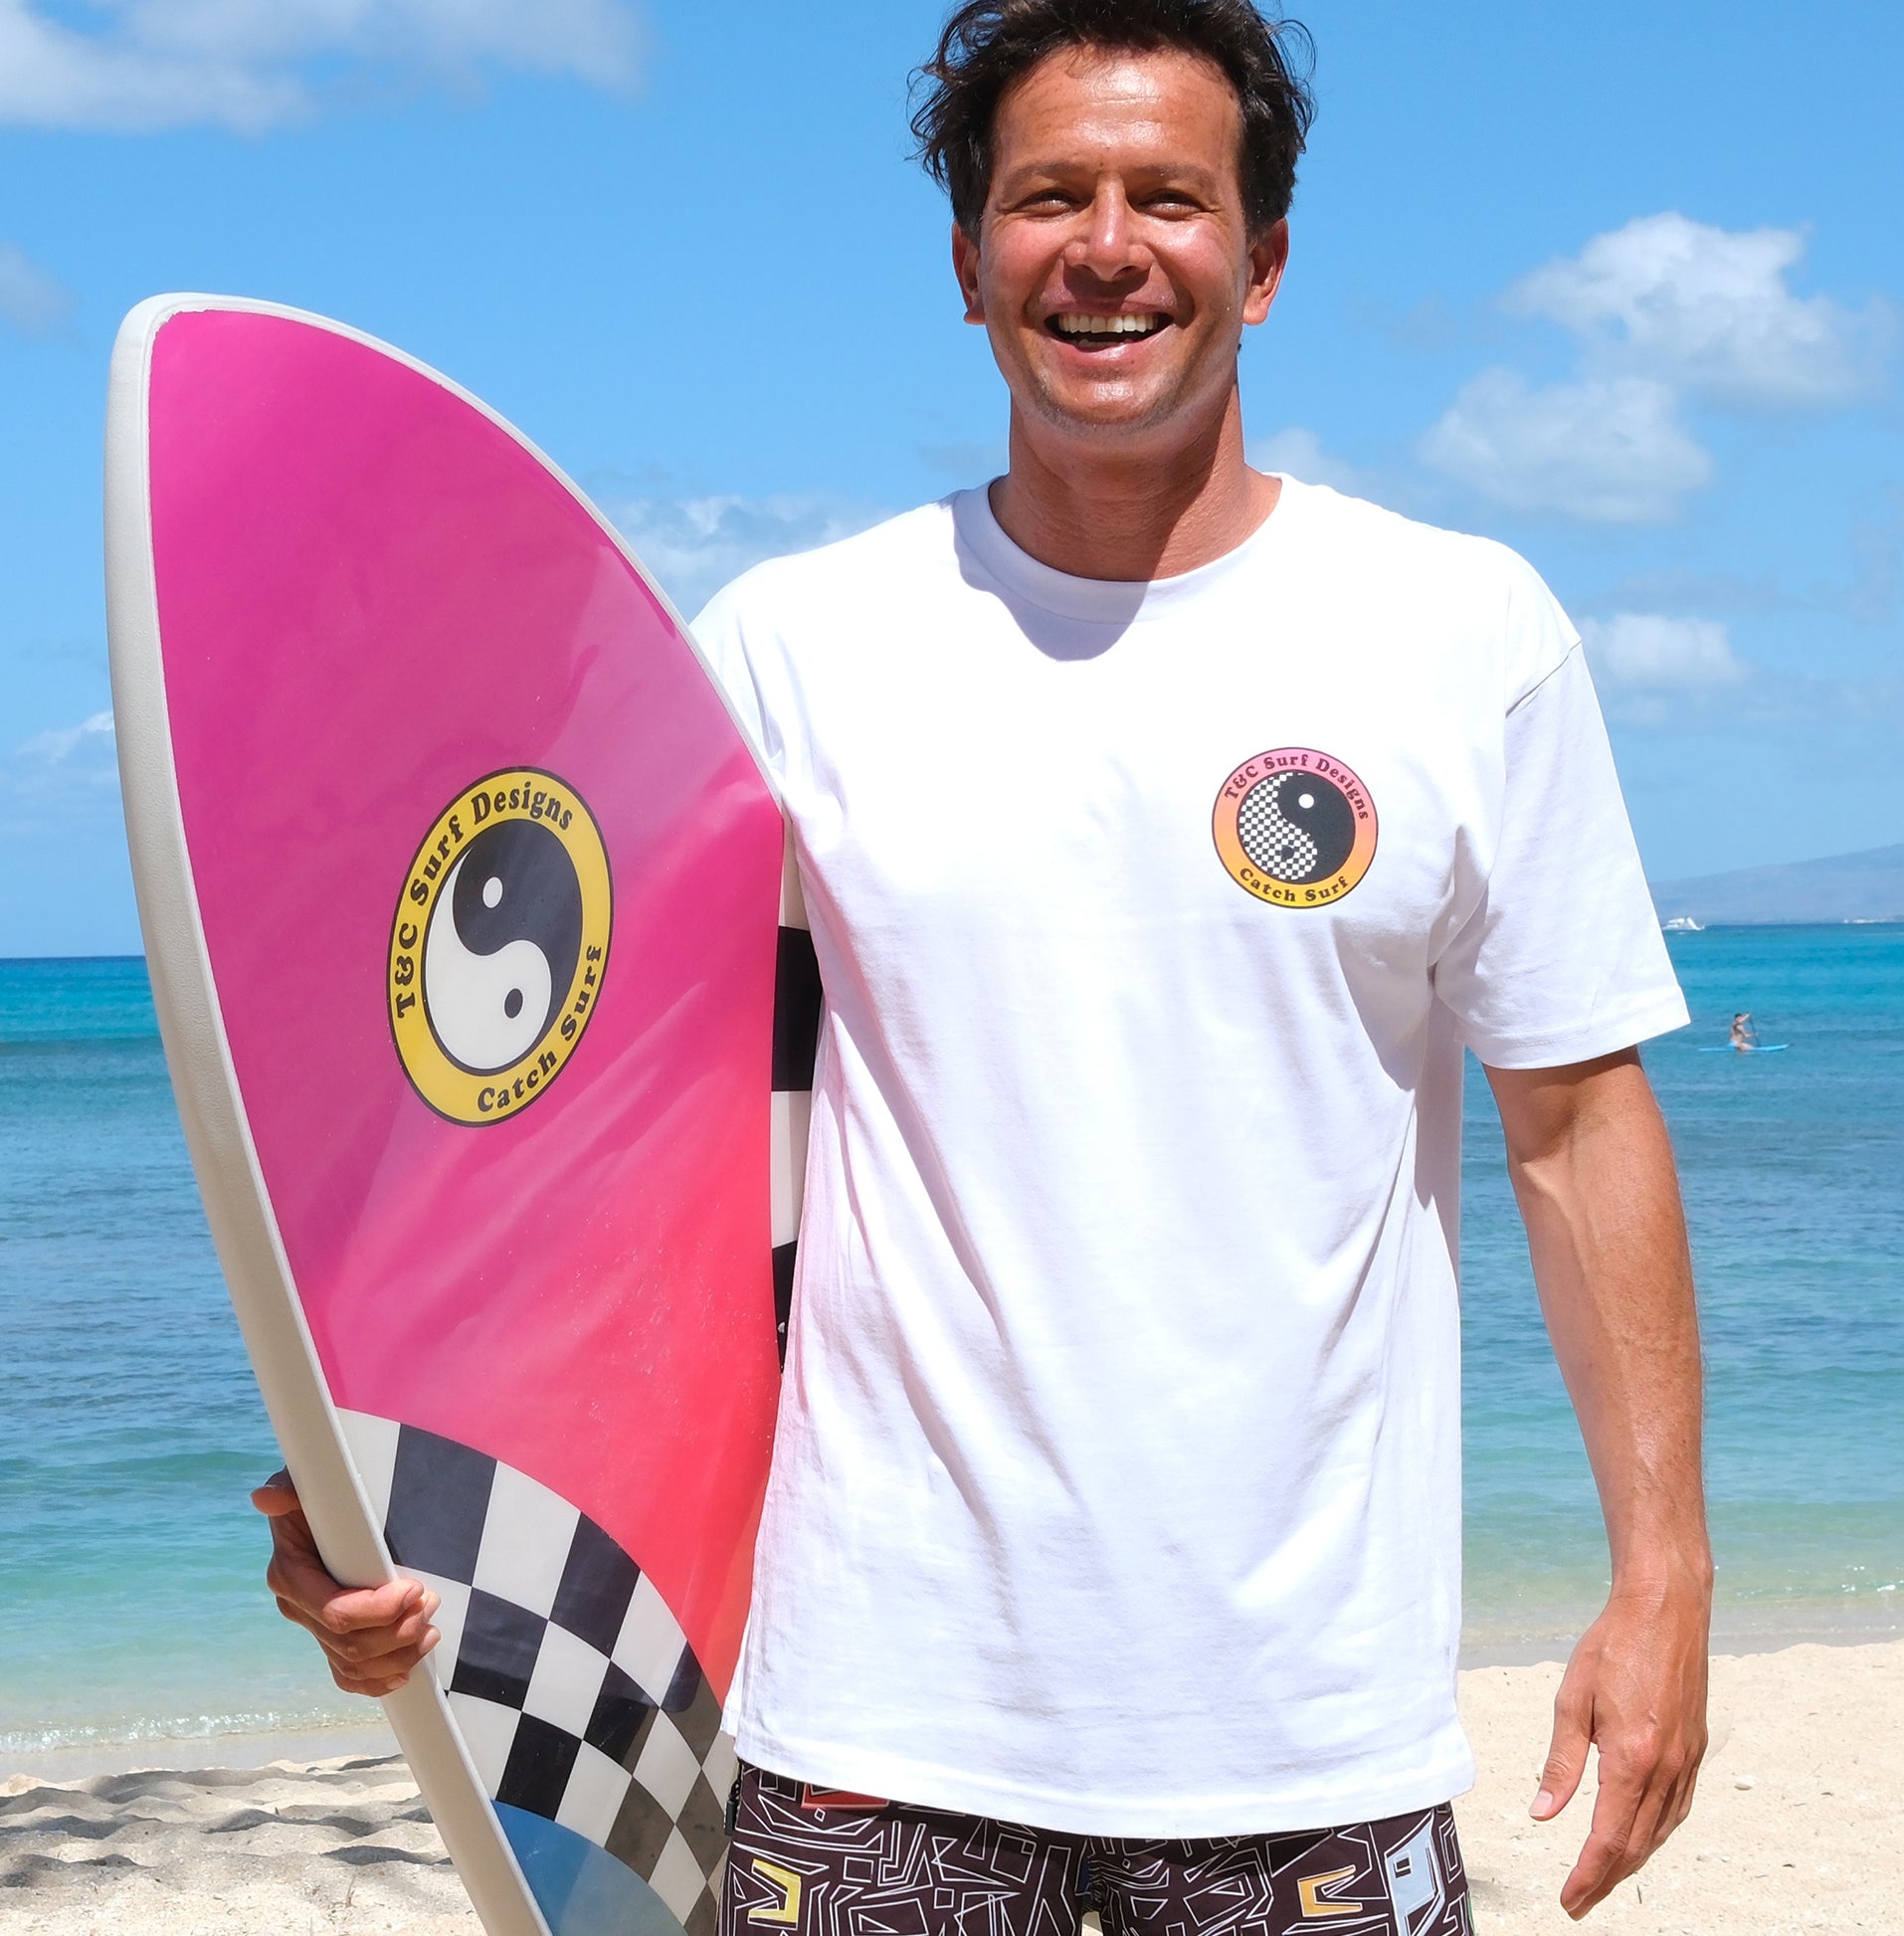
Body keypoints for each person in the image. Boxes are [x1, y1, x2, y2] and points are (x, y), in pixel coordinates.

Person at [256, 2, 1712, 1927]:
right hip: (873, 1723)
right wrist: (388, 1482)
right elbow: (570, 1126)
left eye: (1167, 197)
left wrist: (1663, 1571)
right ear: (967, 262)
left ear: (1263, 260)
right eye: (1047, 198)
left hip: (1306, 1740)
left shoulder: (1458, 632)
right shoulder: (793, 649)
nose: (1106, 246)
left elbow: (1575, 1117)